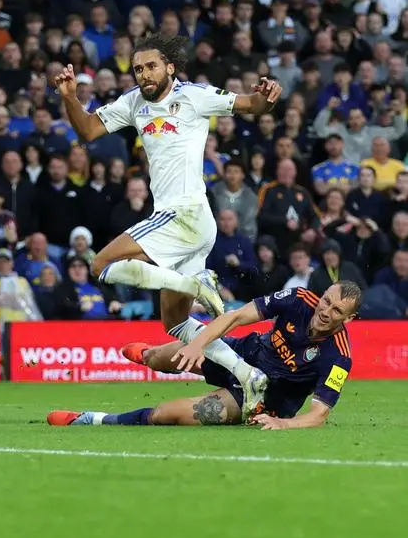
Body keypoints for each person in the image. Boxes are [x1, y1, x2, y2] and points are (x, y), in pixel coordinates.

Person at [53, 33, 282, 415]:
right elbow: (89, 131)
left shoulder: (195, 95)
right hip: (190, 224)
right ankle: (246, 374)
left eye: (151, 66)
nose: (144, 74)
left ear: (170, 68)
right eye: (138, 68)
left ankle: (194, 284)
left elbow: (252, 105)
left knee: (100, 265)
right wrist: (69, 98)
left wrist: (267, 94)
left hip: (183, 214)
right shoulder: (133, 102)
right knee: (174, 323)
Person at [49, 283, 359, 428]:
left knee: (165, 415)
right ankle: (148, 355)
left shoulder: (339, 357)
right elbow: (235, 317)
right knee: (162, 358)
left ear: (349, 319)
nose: (325, 311)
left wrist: (282, 425)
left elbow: (319, 414)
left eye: (336, 311)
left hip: (261, 399)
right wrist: (198, 345)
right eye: (326, 301)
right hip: (241, 354)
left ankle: (93, 420)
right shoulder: (298, 299)